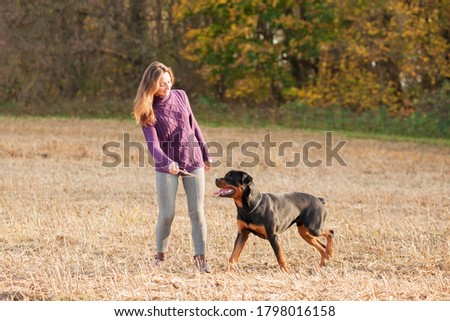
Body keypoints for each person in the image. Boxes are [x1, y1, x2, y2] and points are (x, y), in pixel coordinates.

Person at [133, 61, 211, 273]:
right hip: (166, 165)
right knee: (167, 214)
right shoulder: (147, 110)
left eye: (169, 82)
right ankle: (160, 257)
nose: (167, 87)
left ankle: (201, 259)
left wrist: (205, 152)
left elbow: (193, 124)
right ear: (151, 86)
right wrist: (168, 163)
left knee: (197, 212)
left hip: (192, 159)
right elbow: (153, 146)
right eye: (161, 84)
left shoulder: (181, 96)